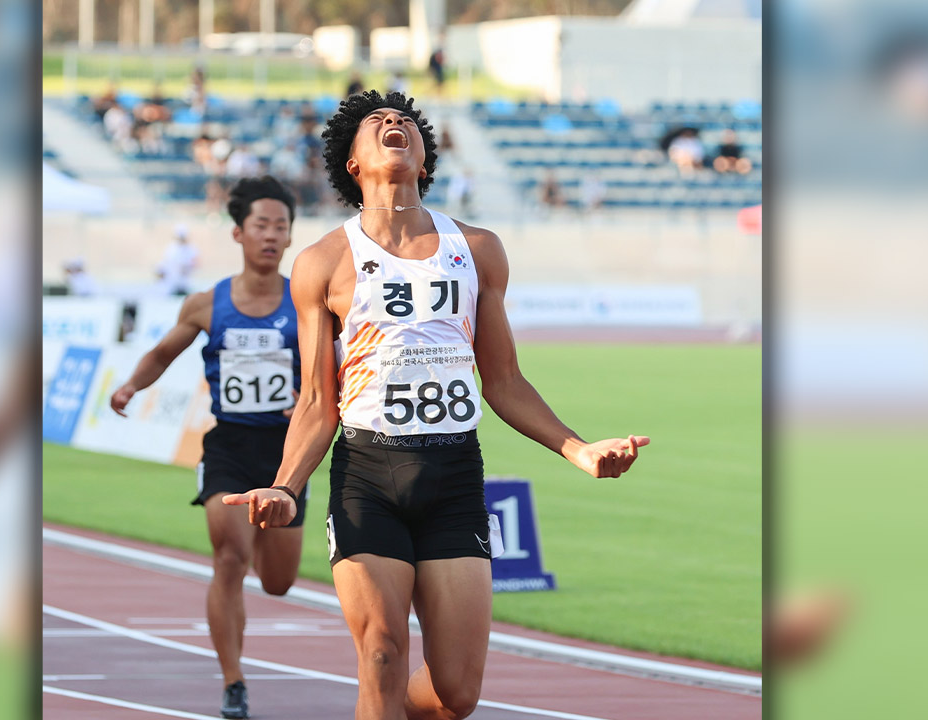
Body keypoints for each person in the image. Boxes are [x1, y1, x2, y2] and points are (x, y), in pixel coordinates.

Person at [223, 91, 649, 720]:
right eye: (377, 123)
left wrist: (578, 448)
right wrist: (287, 486)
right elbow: (318, 400)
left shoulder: (477, 249)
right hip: (368, 474)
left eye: (406, 122)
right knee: (381, 654)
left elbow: (503, 382)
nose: (394, 124)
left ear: (425, 160)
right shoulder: (322, 263)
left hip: (453, 476)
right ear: (352, 163)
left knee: (457, 694)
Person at [110, 176, 304, 720]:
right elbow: (160, 353)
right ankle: (233, 681)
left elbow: (334, 365)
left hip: (290, 453)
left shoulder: (308, 301)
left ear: (290, 237)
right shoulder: (205, 305)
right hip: (229, 446)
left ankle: (267, 531)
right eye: (261, 226)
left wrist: (309, 396)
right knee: (228, 558)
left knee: (278, 582)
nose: (270, 235)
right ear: (239, 234)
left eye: (280, 227)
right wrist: (131, 386)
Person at [161, 224, 200, 296]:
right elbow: (165, 264)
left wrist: (187, 267)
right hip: (172, 284)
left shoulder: (191, 249)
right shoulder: (171, 248)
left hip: (186, 283)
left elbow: (196, 263)